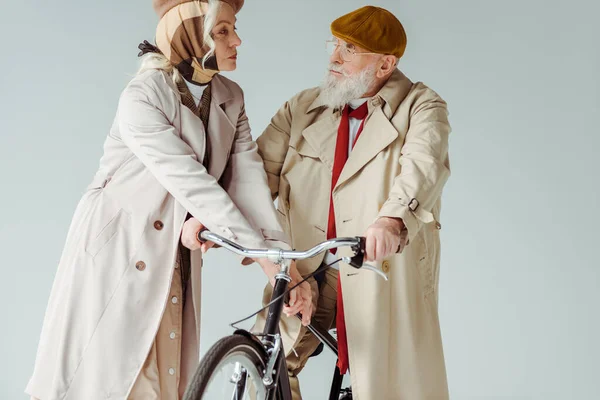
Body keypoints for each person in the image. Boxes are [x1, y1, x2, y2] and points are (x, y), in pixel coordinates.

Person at [25, 1, 311, 399]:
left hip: (176, 249)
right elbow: (191, 182)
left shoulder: (230, 95)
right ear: (189, 33)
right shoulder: (141, 97)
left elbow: (246, 178)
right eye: (222, 31)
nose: (237, 41)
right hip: (121, 246)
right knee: (115, 374)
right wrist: (267, 261)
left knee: (168, 372)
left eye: (233, 28)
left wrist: (281, 261)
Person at [254, 5, 451, 399]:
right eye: (335, 45)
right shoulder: (303, 109)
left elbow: (422, 167)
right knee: (267, 360)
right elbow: (255, 176)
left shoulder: (421, 107)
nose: (334, 58)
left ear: (384, 64)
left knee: (386, 384)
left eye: (349, 49)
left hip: (378, 271)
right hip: (306, 268)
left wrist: (392, 221)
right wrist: (220, 218)